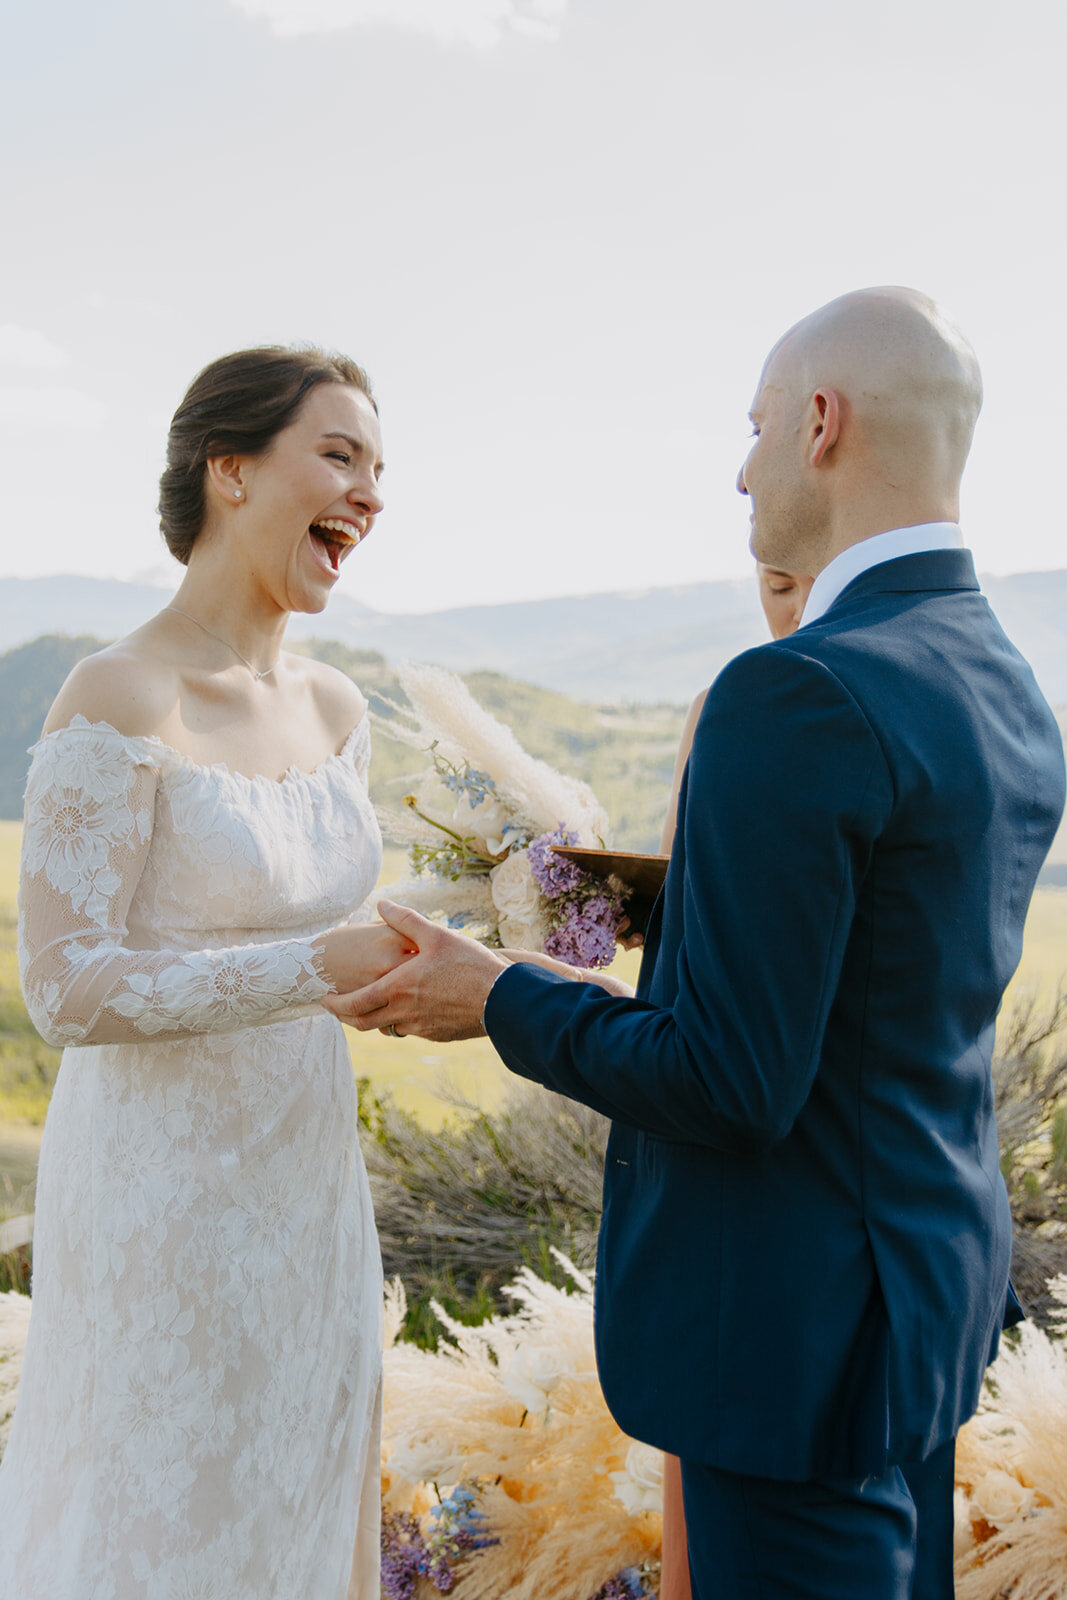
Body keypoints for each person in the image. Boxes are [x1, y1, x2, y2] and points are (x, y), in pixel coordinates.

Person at [327, 287, 1066, 1598]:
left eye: (756, 425)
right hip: (918, 1302)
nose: (742, 465)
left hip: (786, 1338)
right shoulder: (1000, 679)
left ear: (819, 425)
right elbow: (863, 970)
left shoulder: (793, 690)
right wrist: (612, 892)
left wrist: (494, 995)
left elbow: (728, 1079)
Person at [0, 347, 412, 1599]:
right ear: (229, 471)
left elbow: (339, 910)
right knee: (160, 1513)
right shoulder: (120, 690)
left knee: (301, 1481)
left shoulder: (337, 705)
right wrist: (313, 966)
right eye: (337, 455)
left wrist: (524, 900)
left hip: (307, 1187)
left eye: (379, 469)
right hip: (159, 1205)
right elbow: (62, 986)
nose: (370, 492)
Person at [658, 559, 813, 1600]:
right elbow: (687, 915)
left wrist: (504, 999)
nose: (782, 597)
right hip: (709, 1212)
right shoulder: (723, 704)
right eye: (767, 578)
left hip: (772, 1241)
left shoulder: (770, 705)